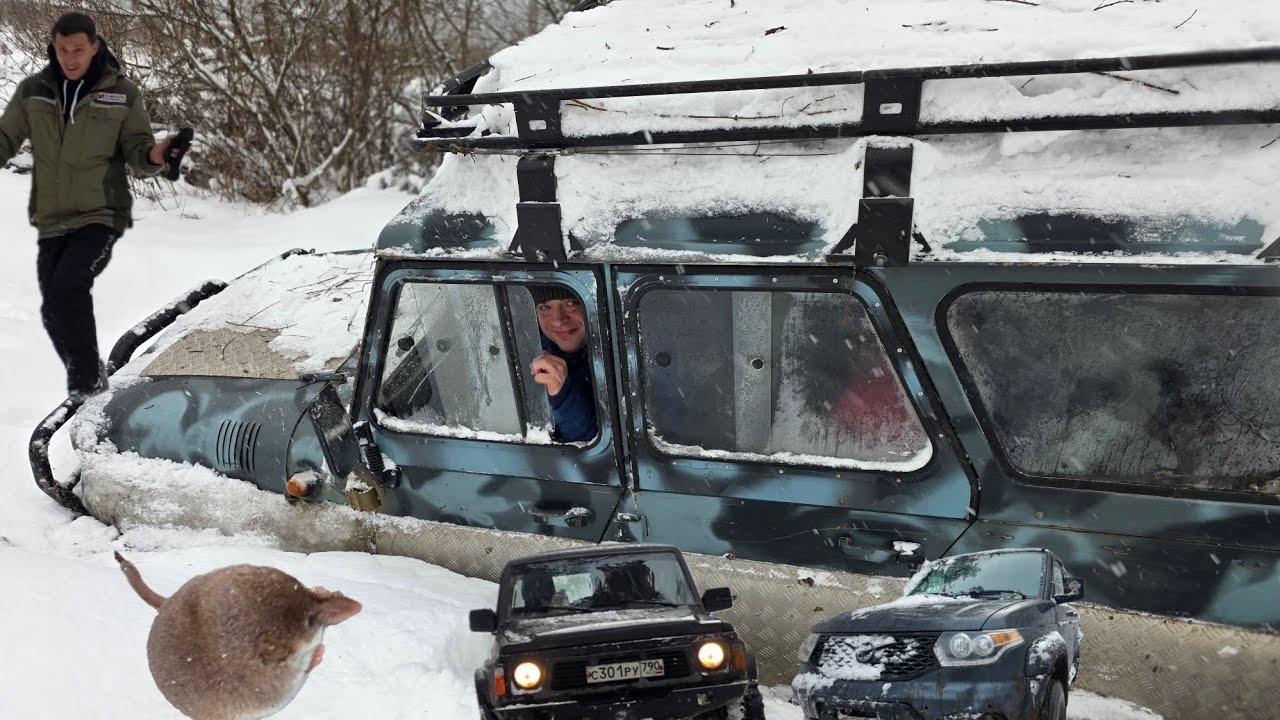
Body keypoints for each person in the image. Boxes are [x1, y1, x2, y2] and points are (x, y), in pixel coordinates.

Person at [0, 12, 178, 400]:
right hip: (51, 218)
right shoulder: (34, 91)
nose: (69, 57)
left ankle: (85, 383)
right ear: (54, 47)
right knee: (52, 312)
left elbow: (138, 152)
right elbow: (5, 139)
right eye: (62, 49)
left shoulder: (122, 94)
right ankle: (94, 377)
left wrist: (158, 153)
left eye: (78, 49)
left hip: (101, 213)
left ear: (94, 47)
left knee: (68, 287)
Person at [528, 285, 598, 442]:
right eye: (545, 307)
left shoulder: (626, 353)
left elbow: (595, 441)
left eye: (571, 303)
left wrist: (562, 393)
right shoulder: (526, 355)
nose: (558, 320)